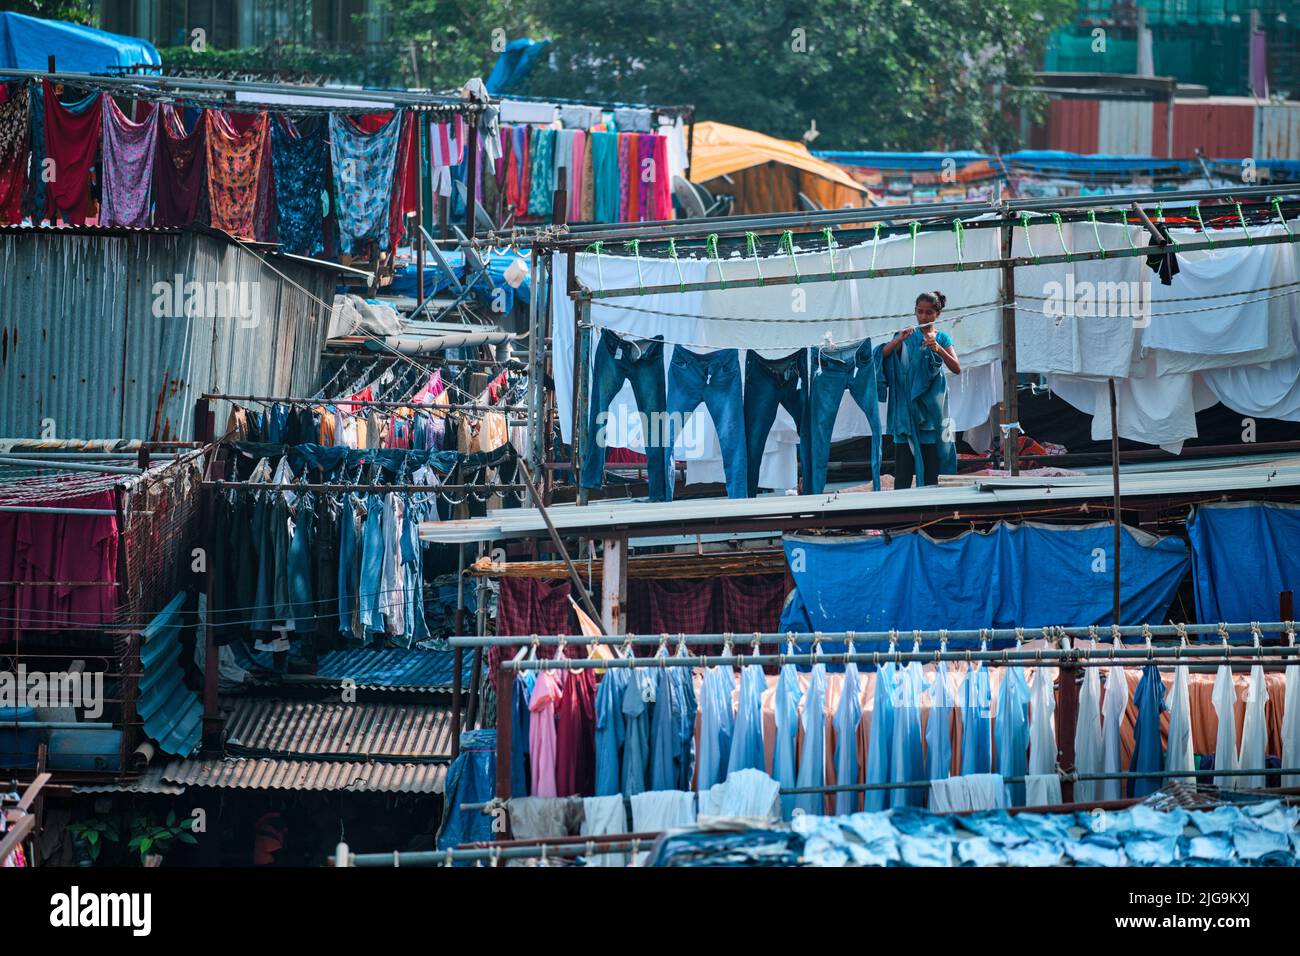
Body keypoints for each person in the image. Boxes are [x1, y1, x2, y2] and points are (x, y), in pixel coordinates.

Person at [878, 291, 960, 488]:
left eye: (929, 313)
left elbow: (956, 368)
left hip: (931, 414)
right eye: (920, 312)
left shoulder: (942, 337)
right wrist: (898, 340)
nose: (923, 317)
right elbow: (882, 356)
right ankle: (904, 514)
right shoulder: (906, 336)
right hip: (906, 411)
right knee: (904, 472)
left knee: (933, 471)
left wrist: (938, 348)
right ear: (915, 311)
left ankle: (931, 512)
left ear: (937, 314)